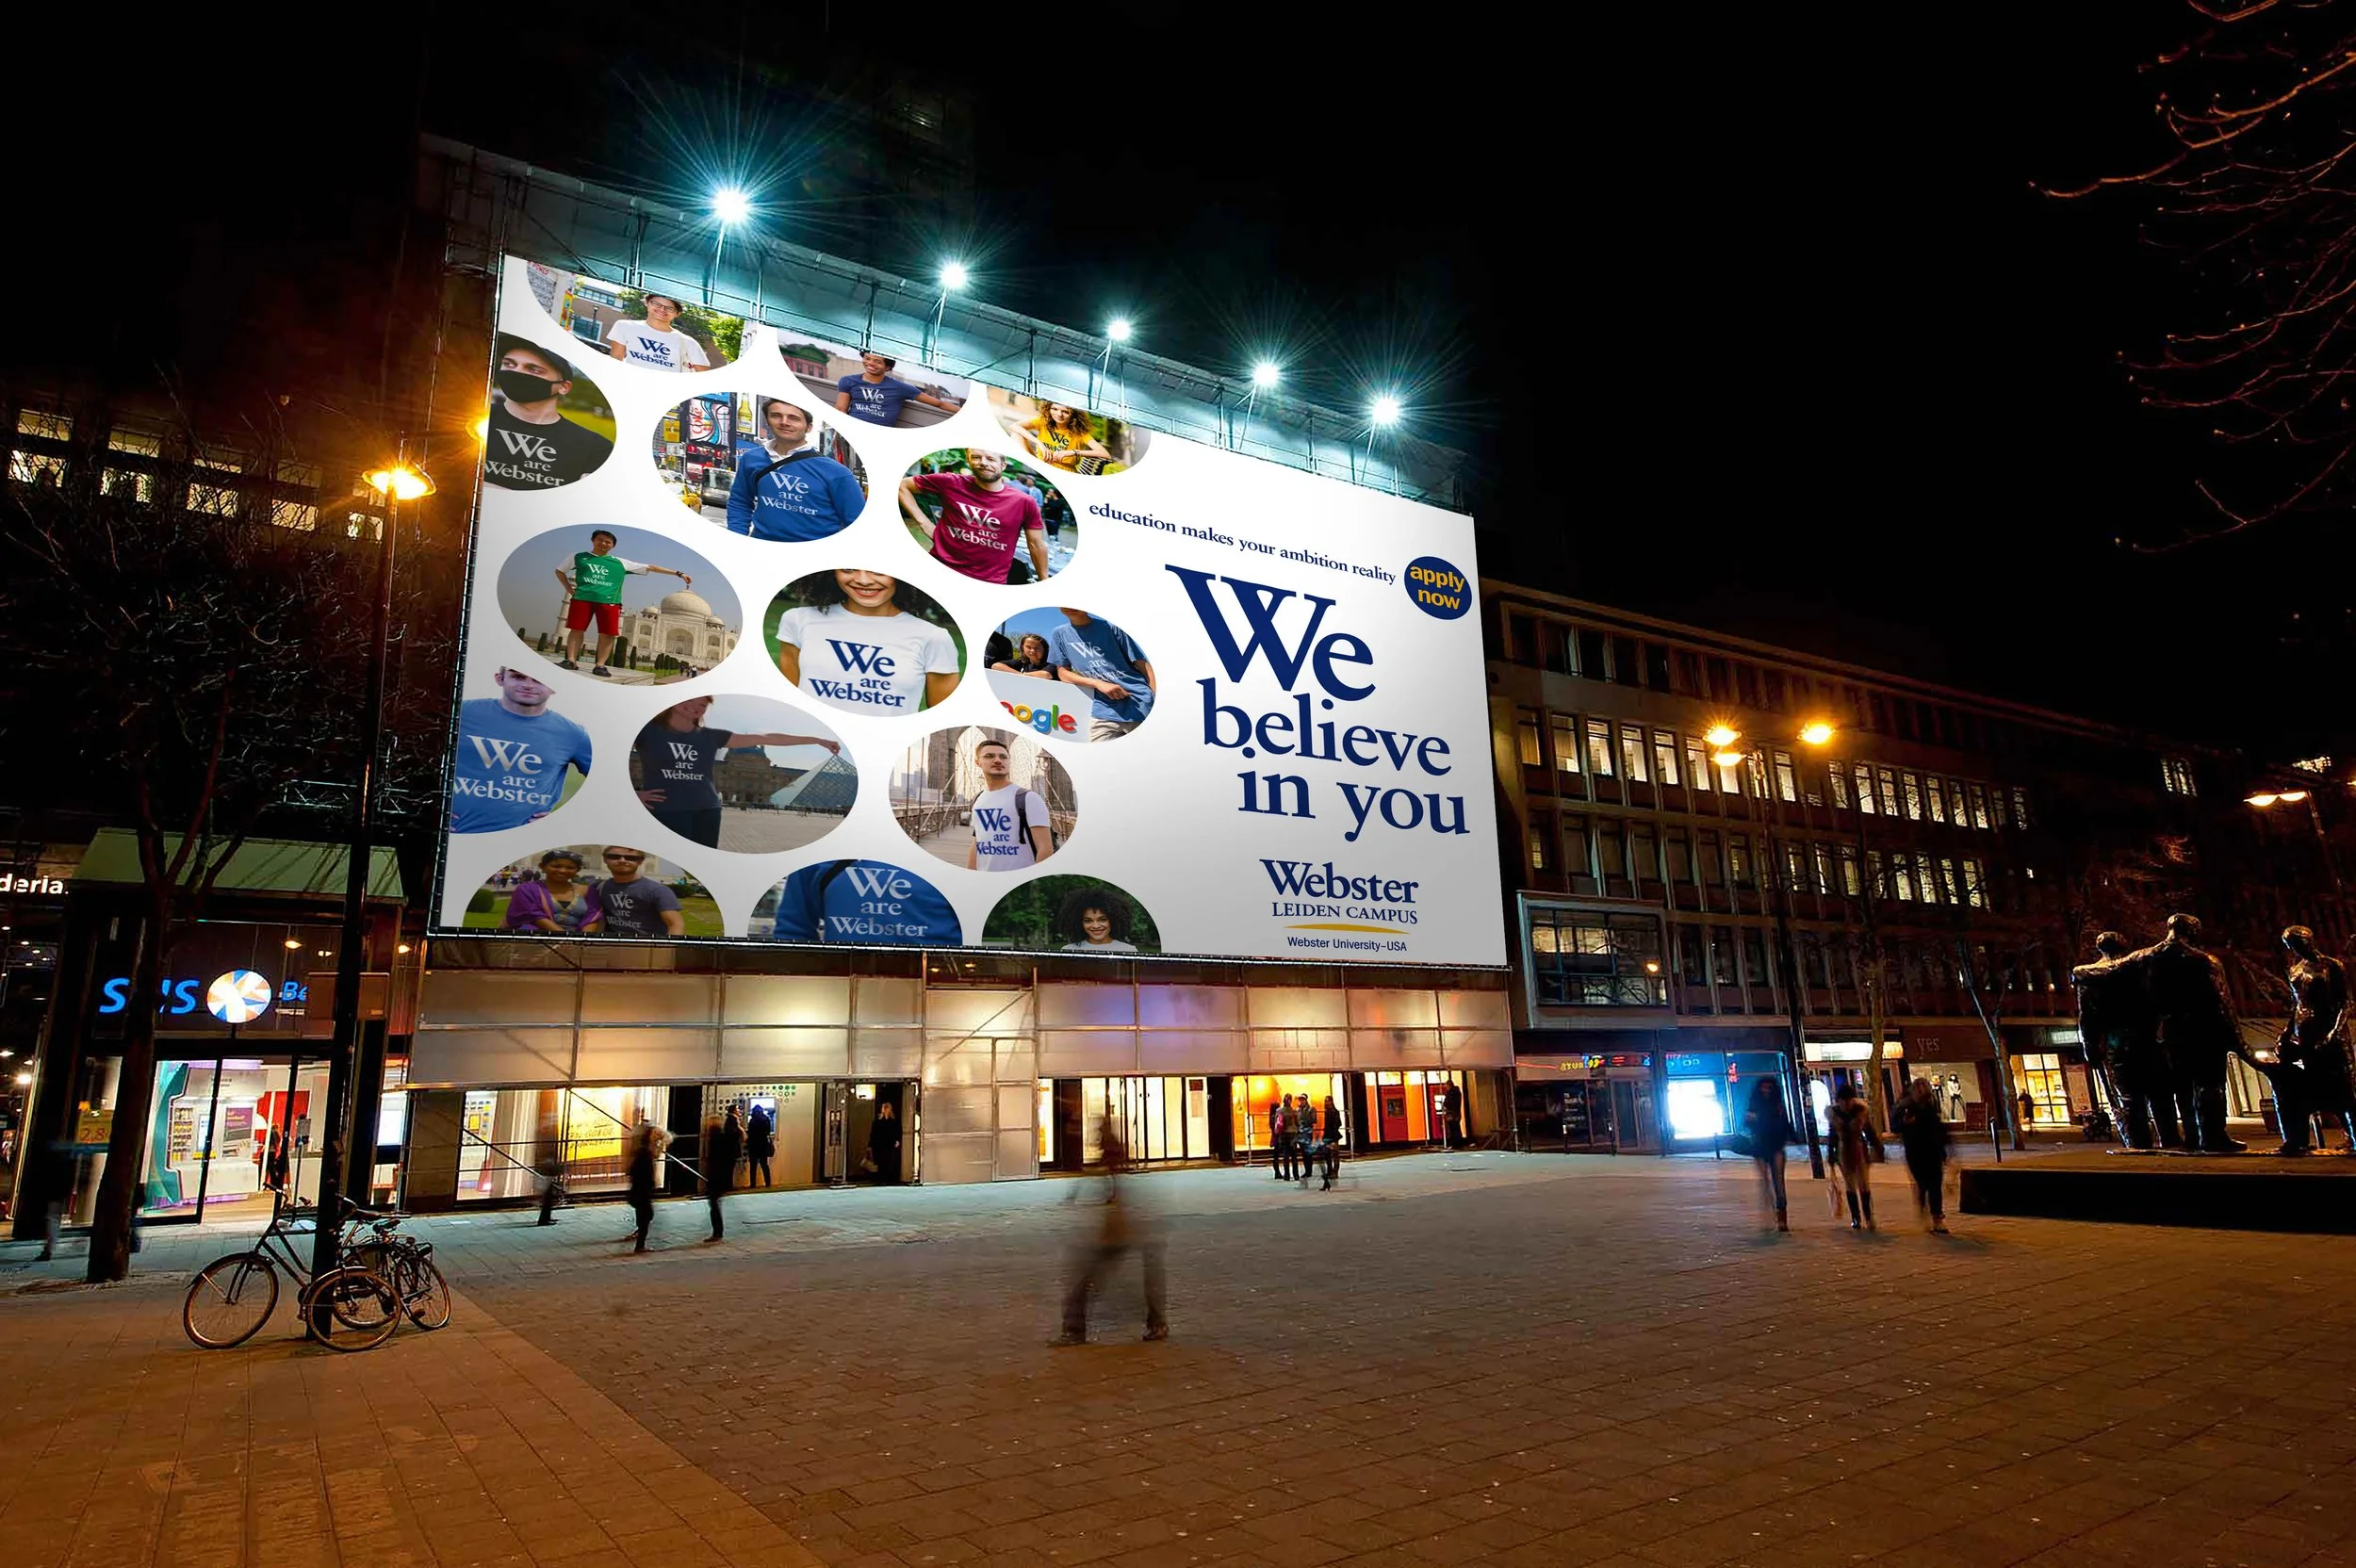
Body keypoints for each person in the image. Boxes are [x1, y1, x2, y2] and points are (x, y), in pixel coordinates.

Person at [633, 696, 839, 847]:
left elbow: (768, 738)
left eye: (703, 704)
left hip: (709, 810)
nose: (696, 706)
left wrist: (818, 740)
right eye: (691, 700)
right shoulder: (647, 730)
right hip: (667, 809)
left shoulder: (712, 736)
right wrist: (634, 793)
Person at [774, 570, 961, 716]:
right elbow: (792, 700)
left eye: (878, 571)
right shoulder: (797, 620)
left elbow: (941, 716)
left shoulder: (933, 637)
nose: (863, 580)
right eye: (849, 569)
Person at [1054, 1124, 1167, 1346]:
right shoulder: (1115, 1164)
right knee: (1144, 1279)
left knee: (1086, 1280)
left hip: (1121, 1232)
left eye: (1098, 1138)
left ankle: (1074, 1330)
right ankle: (1157, 1323)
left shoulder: (1113, 1159)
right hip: (1126, 1231)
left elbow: (1103, 1180)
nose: (1095, 1142)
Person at [450, 668, 595, 833]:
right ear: (499, 678)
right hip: (454, 834)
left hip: (522, 839)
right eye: (518, 677)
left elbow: (608, 786)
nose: (528, 685)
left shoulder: (573, 735)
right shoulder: (459, 713)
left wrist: (564, 818)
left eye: (539, 680)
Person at [555, 530, 695, 678]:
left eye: (608, 542)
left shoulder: (620, 562)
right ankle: (571, 660)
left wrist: (678, 573)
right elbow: (559, 571)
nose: (603, 543)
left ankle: (600, 665)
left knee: (607, 634)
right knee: (576, 630)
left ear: (613, 546)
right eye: (600, 540)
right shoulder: (577, 557)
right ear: (593, 540)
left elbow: (651, 567)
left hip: (609, 601)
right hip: (582, 599)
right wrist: (568, 588)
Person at [899, 449, 1050, 585]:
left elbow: (1036, 544)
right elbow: (902, 486)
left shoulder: (1024, 502)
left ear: (1003, 465)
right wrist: (924, 523)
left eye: (990, 459)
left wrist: (1044, 583)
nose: (983, 463)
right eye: (976, 457)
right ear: (969, 460)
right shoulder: (950, 482)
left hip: (990, 582)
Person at [724, 399, 865, 542]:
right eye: (776, 416)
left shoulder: (837, 472)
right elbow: (740, 501)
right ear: (767, 420)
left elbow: (858, 525)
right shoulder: (751, 458)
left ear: (808, 427)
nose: (784, 422)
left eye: (794, 418)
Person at [485, 335, 614, 489]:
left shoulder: (594, 447)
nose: (517, 372)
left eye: (534, 369)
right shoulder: (469, 420)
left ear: (563, 387)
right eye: (509, 364)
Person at [769, 858, 962, 945]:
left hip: (941, 987)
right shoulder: (817, 861)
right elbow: (793, 935)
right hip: (840, 994)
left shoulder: (951, 869)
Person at [1044, 609, 1155, 742]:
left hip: (1140, 704)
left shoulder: (1112, 627)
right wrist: (1098, 683)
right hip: (1103, 709)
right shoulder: (1059, 634)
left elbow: (1144, 666)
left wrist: (1157, 701)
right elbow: (1063, 673)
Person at [966, 738, 1055, 872]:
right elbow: (977, 842)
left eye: (1003, 757)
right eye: (989, 756)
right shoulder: (978, 800)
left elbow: (1046, 848)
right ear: (978, 762)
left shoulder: (1029, 798)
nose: (997, 760)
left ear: (1009, 762)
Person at [834, 350, 963, 426]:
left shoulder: (900, 388)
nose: (870, 364)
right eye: (867, 358)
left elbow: (939, 403)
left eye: (877, 361)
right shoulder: (848, 381)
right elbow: (840, 409)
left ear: (888, 367)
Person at [582, 847, 685, 937]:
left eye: (630, 858)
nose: (622, 860)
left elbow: (675, 924)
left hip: (646, 947)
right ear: (605, 859)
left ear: (640, 862)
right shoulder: (599, 887)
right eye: (614, 856)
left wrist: (667, 951)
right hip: (610, 946)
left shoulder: (656, 890)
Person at [1894, 1077, 1953, 1233]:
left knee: (1935, 1184)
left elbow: (1938, 1127)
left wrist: (1945, 1149)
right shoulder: (1905, 1107)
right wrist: (1905, 1123)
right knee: (1923, 1184)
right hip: (1915, 1151)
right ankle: (1923, 1208)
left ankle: (1937, 1218)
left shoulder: (1930, 1107)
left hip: (1932, 1150)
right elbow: (1895, 1127)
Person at [605, 292, 712, 372]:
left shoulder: (688, 342)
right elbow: (616, 361)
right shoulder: (624, 326)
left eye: (669, 308)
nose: (662, 309)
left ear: (677, 313)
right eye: (656, 304)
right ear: (647, 303)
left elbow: (703, 374)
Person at [1742, 1078, 1795, 1232]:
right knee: (1765, 1182)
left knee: (1778, 1182)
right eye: (1763, 1088)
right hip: (1760, 1146)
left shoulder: (1776, 1105)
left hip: (1775, 1146)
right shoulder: (1755, 1104)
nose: (1765, 1090)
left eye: (1768, 1088)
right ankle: (1771, 1213)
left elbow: (1784, 1123)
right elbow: (1746, 1124)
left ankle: (1781, 1217)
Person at [1829, 1080, 1883, 1231]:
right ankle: (1856, 1218)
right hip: (1843, 1152)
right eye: (1843, 1101)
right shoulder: (1835, 1116)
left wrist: (1878, 1148)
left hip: (1859, 1150)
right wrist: (1831, 1156)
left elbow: (1870, 1132)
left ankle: (1868, 1216)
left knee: (1864, 1184)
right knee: (1850, 1186)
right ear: (1838, 1101)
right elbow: (1832, 1136)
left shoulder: (1860, 1113)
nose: (1846, 1104)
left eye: (1849, 1100)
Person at [500, 850, 595, 933]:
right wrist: (567, 941)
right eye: (556, 866)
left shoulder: (587, 891)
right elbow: (535, 916)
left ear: (577, 870)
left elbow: (592, 918)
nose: (562, 870)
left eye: (570, 868)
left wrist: (584, 941)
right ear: (542, 867)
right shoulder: (527, 889)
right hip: (536, 941)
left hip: (578, 944)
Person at [1006, 400, 1112, 472]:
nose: (1059, 414)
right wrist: (1039, 443)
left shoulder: (1080, 433)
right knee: (1016, 434)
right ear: (1049, 409)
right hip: (1039, 465)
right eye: (1055, 409)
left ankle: (1022, 472)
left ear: (1074, 415)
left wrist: (1073, 452)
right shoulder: (1043, 422)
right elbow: (1014, 426)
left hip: (1062, 471)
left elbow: (1105, 454)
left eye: (1065, 412)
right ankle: (1023, 468)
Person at [625, 1119, 666, 1252]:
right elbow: (641, 1168)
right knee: (647, 1214)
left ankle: (640, 1242)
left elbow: (655, 1155)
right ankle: (640, 1245)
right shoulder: (644, 1151)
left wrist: (662, 1143)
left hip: (642, 1187)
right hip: (642, 1187)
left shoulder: (646, 1149)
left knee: (645, 1214)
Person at [1057, 887, 1138, 953]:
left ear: (1113, 920)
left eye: (1102, 919)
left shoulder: (1129, 951)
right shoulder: (1069, 950)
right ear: (1079, 923)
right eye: (1088, 921)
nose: (1095, 926)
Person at [703, 1107, 744, 1240]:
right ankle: (717, 1232)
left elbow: (714, 1157)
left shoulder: (715, 1137)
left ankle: (717, 1232)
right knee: (714, 1204)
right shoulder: (721, 1135)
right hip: (718, 1175)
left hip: (715, 1176)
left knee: (714, 1204)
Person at [990, 630, 1060, 678]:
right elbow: (996, 666)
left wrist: (1022, 676)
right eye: (1028, 647)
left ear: (1045, 649)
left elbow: (1046, 674)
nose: (1032, 651)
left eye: (1037, 648)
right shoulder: (1021, 662)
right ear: (1022, 648)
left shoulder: (1052, 664)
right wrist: (1019, 675)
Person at [867, 1100, 903, 1184]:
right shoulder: (878, 1121)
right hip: (879, 1144)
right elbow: (873, 1133)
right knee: (881, 1162)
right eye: (884, 1108)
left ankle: (888, 1179)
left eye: (887, 1108)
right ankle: (881, 1179)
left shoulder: (894, 1120)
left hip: (889, 1144)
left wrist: (897, 1140)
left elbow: (898, 1131)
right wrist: (870, 1144)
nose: (885, 1110)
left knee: (889, 1161)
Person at [744, 1102, 776, 1187]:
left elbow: (750, 1132)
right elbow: (768, 1131)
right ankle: (768, 1183)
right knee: (764, 1165)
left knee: (753, 1166)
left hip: (753, 1145)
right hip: (763, 1145)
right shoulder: (766, 1119)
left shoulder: (752, 1120)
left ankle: (753, 1184)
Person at [1268, 1097, 1290, 1180]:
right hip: (1279, 1137)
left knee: (1275, 1156)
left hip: (1274, 1136)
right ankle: (1279, 1172)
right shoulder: (1277, 1116)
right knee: (1282, 1154)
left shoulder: (1271, 1117)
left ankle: (1277, 1172)